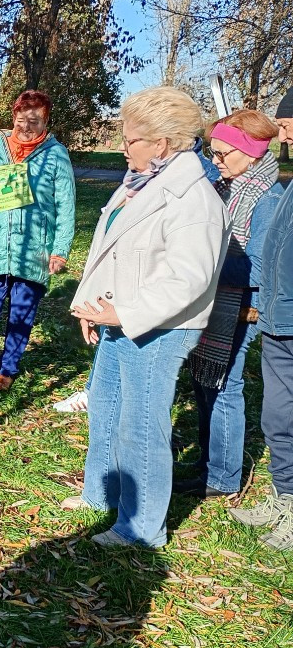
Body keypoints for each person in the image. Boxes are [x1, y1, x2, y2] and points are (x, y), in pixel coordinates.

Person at [63, 86, 229, 547]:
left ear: (162, 144)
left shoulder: (192, 197)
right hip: (121, 319)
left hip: (159, 329)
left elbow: (189, 278)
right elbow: (111, 249)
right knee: (105, 407)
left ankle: (140, 528)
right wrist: (93, 304)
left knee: (141, 422)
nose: (123, 146)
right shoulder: (142, 181)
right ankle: (102, 494)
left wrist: (126, 312)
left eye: (131, 139)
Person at [174, 110, 282, 499]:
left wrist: (203, 258)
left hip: (239, 306)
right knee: (203, 382)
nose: (215, 161)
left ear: (249, 153)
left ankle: (222, 477)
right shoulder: (226, 185)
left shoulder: (268, 200)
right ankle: (208, 461)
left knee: (224, 386)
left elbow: (259, 268)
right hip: (211, 299)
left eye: (222, 154)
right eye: (213, 153)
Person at [0, 90, 75, 392]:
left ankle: (7, 370)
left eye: (34, 122)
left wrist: (60, 250)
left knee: (22, 314)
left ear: (46, 121)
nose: (25, 127)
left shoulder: (56, 155)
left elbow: (66, 206)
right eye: (21, 120)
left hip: (34, 249)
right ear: (13, 117)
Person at [228, 87, 293, 550]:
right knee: (278, 415)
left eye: (289, 122)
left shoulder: (272, 193)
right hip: (277, 315)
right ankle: (284, 496)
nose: (282, 130)